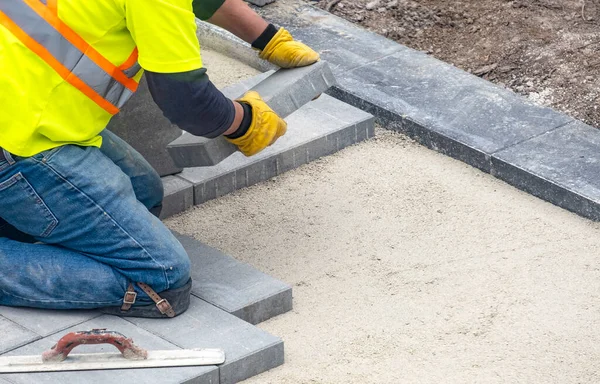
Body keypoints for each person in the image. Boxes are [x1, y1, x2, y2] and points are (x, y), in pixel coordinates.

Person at [0, 0, 319, 318]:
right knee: (160, 277)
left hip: (23, 110)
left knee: (144, 194)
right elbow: (189, 102)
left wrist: (267, 38)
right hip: (18, 144)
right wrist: (247, 122)